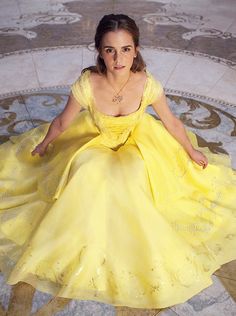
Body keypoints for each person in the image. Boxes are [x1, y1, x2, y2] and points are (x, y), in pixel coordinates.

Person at [0, 13, 235, 311]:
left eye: (125, 49)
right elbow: (62, 122)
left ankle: (130, 238)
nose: (118, 58)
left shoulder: (147, 84)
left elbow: (173, 123)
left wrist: (191, 151)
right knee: (86, 169)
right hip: (95, 138)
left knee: (134, 176)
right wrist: (45, 145)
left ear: (135, 50)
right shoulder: (87, 83)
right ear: (99, 50)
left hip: (138, 141)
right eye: (110, 49)